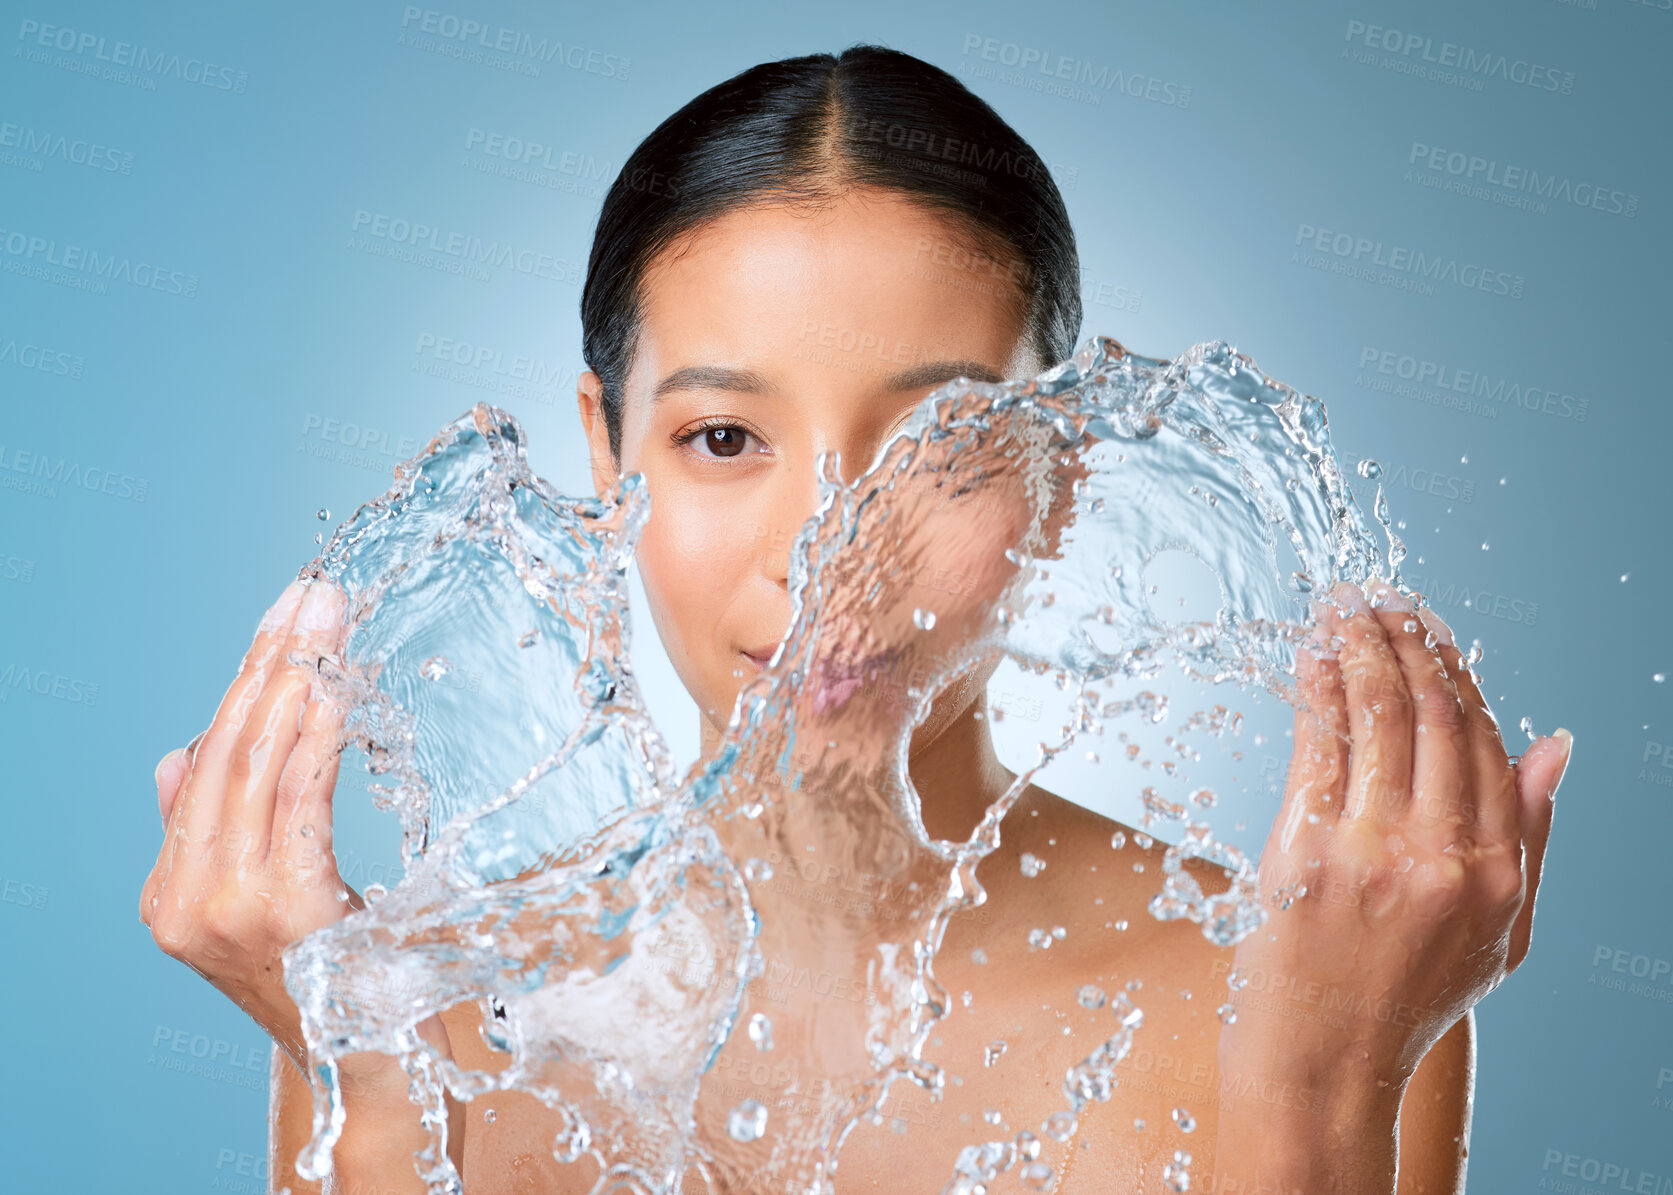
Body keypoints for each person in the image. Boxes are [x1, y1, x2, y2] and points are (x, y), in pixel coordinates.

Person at [141, 45, 1572, 1194]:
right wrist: (356, 1069)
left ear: (1059, 462)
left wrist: (1318, 1081)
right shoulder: (427, 1008)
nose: (831, 554)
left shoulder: (1308, 976)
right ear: (606, 454)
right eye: (721, 440)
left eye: (936, 444)